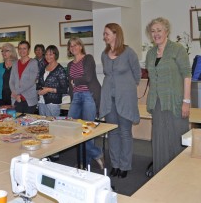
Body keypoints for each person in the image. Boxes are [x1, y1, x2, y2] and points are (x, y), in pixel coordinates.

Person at [145, 17, 191, 174]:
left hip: (175, 102)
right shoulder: (151, 54)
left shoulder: (177, 49)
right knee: (159, 139)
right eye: (153, 31)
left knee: (176, 136)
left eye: (159, 30)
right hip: (157, 103)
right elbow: (152, 77)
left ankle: (179, 174)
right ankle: (160, 172)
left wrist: (186, 101)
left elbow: (187, 75)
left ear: (166, 31)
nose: (156, 34)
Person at [100, 23, 141, 179]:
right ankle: (115, 164)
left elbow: (137, 75)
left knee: (125, 132)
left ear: (116, 35)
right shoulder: (104, 55)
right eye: (104, 34)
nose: (105, 36)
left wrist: (126, 88)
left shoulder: (129, 52)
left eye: (107, 33)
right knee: (113, 132)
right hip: (108, 99)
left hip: (125, 98)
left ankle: (125, 165)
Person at [67, 37, 103, 169]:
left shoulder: (88, 58)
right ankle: (97, 153)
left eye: (76, 45)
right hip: (76, 97)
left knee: (87, 131)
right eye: (71, 46)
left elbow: (87, 77)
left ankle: (84, 163)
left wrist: (75, 81)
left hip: (88, 96)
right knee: (73, 128)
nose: (73, 47)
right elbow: (70, 85)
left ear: (81, 46)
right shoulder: (70, 64)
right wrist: (73, 94)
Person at [37, 45, 67, 117]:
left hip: (53, 103)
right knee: (42, 125)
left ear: (55, 55)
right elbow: (39, 84)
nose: (48, 56)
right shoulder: (43, 68)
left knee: (52, 124)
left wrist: (48, 90)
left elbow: (64, 89)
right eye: (46, 54)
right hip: (41, 101)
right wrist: (38, 90)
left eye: (50, 54)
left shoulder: (60, 70)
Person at [10, 41, 39, 114]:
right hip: (16, 98)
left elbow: (31, 81)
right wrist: (15, 94)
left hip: (29, 99)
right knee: (16, 123)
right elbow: (11, 81)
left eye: (24, 48)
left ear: (28, 50)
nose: (22, 51)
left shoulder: (33, 62)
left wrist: (16, 92)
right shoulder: (15, 63)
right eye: (20, 48)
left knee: (28, 123)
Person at [0, 43, 18, 108]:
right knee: (2, 117)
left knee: (13, 116)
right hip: (1, 97)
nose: (3, 53)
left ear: (12, 52)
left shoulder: (17, 65)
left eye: (6, 51)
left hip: (14, 96)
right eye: (2, 51)